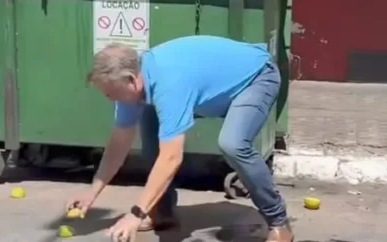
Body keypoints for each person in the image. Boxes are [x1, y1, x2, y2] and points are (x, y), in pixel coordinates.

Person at [66, 35, 293, 242]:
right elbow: (119, 143)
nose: (110, 100)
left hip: (256, 77)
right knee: (150, 121)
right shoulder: (133, 84)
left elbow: (171, 157)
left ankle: (279, 222)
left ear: (131, 81)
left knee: (233, 144)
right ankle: (161, 213)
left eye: (111, 94)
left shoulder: (169, 83)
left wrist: (135, 214)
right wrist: (91, 192)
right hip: (211, 89)